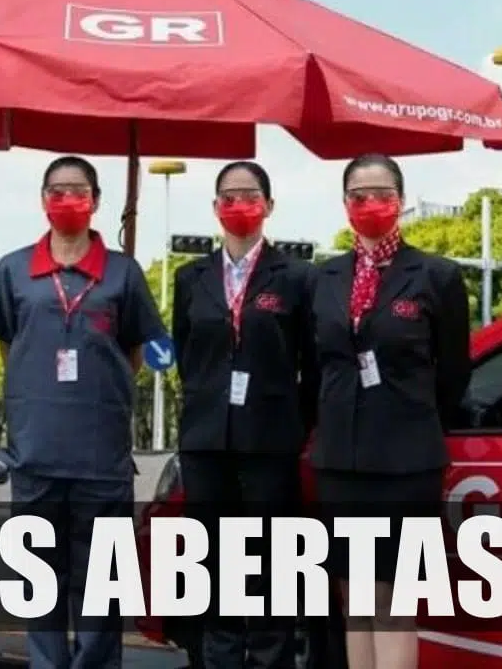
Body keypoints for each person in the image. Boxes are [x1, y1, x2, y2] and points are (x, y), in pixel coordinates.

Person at [0, 155, 165, 669]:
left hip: (101, 457)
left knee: (101, 581)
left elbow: (132, 354)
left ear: (96, 201)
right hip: (36, 454)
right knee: (40, 580)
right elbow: (9, 346)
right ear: (42, 200)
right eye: (56, 191)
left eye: (78, 190)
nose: (67, 200)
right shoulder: (13, 269)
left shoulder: (123, 273)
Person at [309, 153, 471, 669]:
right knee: (356, 599)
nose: (369, 204)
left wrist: (415, 418)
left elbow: (454, 373)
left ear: (399, 201)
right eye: (359, 195)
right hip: (341, 459)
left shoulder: (436, 276)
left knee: (393, 600)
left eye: (381, 194)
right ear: (345, 203)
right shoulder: (324, 278)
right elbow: (314, 367)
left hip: (406, 460)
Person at [171, 161, 318, 669]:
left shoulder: (297, 278)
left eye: (250, 196)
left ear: (269, 206)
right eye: (228, 197)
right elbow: (186, 354)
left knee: (271, 563)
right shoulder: (190, 278)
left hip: (270, 440)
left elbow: (312, 364)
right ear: (215, 208)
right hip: (207, 440)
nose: (239, 206)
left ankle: (271, 660)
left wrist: (293, 422)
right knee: (213, 563)